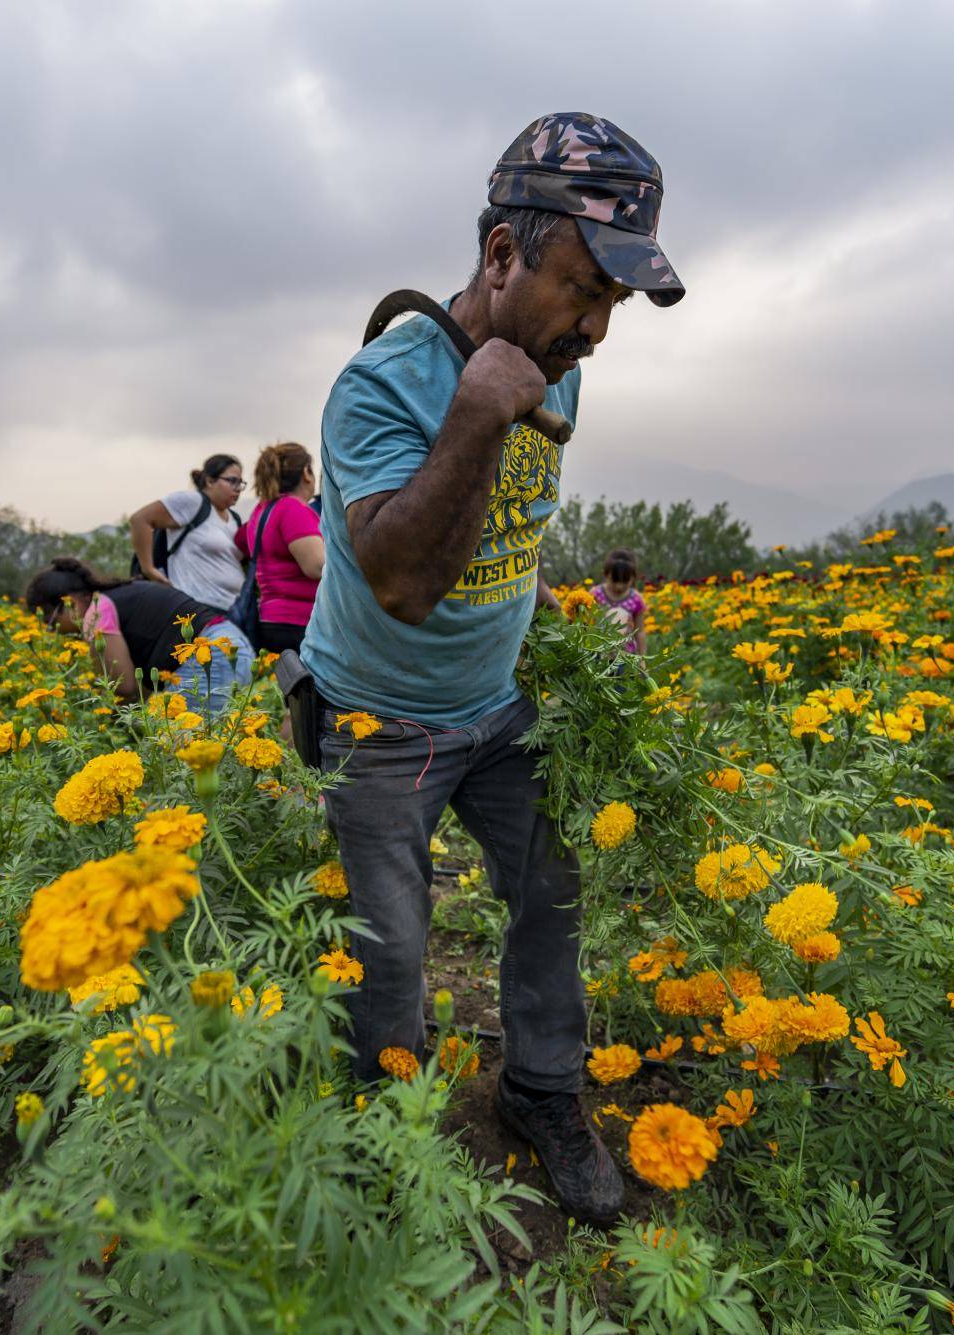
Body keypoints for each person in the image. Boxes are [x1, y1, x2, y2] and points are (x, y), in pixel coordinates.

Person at [297, 112, 683, 1225]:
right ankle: (387, 1128)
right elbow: (403, 583)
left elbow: (511, 514)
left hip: (499, 706)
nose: (597, 330)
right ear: (502, 256)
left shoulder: (555, 367)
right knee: (393, 949)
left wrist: (536, 600)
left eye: (613, 304)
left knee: (550, 893)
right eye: (583, 290)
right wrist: (474, 410)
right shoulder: (377, 386)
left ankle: (542, 1092)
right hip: (377, 721)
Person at [23, 558, 253, 723]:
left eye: (50, 619)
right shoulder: (120, 593)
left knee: (186, 751)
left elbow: (123, 687)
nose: (51, 630)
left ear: (70, 601)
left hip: (210, 654)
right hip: (230, 644)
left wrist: (100, 718)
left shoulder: (96, 610)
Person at [232, 441, 325, 655]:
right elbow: (317, 567)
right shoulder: (293, 509)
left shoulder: (262, 510)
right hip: (299, 622)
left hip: (271, 618)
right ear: (306, 473)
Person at [127, 454, 246, 609]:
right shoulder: (193, 501)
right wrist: (148, 569)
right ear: (210, 481)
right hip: (197, 608)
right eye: (232, 481)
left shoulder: (234, 519)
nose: (237, 488)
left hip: (231, 609)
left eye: (241, 483)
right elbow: (140, 520)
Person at [589, 548, 646, 656]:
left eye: (625, 581)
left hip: (625, 655)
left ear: (633, 578)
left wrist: (642, 658)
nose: (619, 586)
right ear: (605, 574)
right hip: (596, 652)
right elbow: (585, 624)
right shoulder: (595, 594)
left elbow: (640, 632)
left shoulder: (636, 599)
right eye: (614, 581)